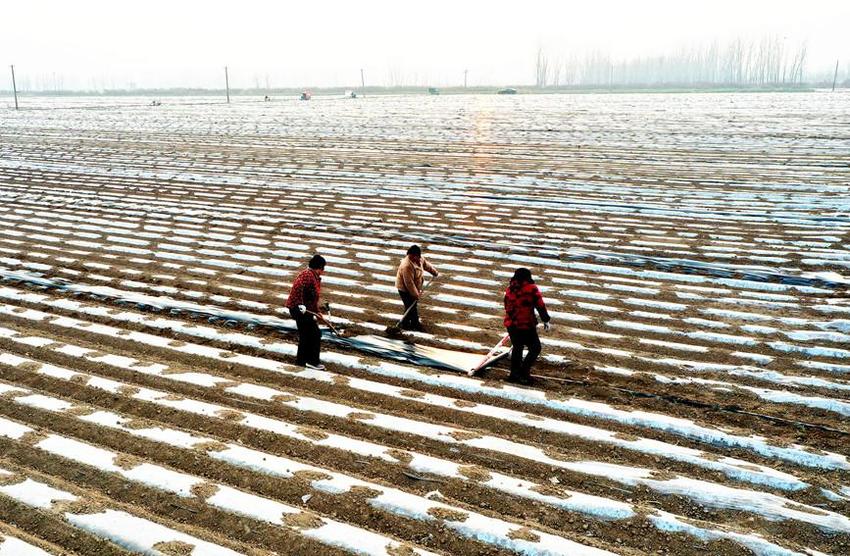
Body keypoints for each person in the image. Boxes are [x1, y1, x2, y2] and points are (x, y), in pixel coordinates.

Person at [503, 268, 550, 385]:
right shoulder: (531, 289)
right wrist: (546, 320)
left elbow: (506, 305)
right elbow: (540, 305)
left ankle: (514, 374)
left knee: (517, 348)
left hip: (512, 324)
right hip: (526, 325)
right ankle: (524, 373)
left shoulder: (510, 289)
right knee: (535, 348)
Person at [285, 254, 327, 370]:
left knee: (308, 334)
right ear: (318, 267)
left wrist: (317, 311)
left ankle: (302, 361)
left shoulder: (312, 275)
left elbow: (312, 298)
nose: (322, 271)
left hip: (303, 309)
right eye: (322, 269)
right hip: (299, 309)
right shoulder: (308, 276)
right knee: (313, 334)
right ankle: (311, 361)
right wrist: (301, 306)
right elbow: (299, 290)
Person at [395, 244, 439, 331]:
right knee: (411, 306)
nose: (410, 257)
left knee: (409, 306)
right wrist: (415, 294)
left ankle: (405, 323)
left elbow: (426, 265)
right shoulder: (406, 265)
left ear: (417, 255)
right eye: (409, 256)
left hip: (415, 286)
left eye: (412, 256)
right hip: (404, 289)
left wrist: (434, 272)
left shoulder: (420, 259)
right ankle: (415, 324)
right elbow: (409, 283)